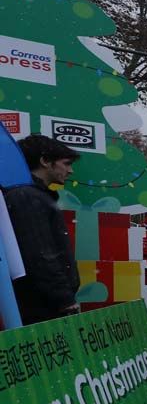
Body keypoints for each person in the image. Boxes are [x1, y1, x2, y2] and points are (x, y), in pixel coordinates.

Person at [4, 135, 81, 325]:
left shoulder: (31, 195)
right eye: (67, 163)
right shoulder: (27, 196)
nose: (70, 171)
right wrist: (64, 299)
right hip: (40, 307)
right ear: (45, 161)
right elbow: (40, 254)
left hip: (41, 302)